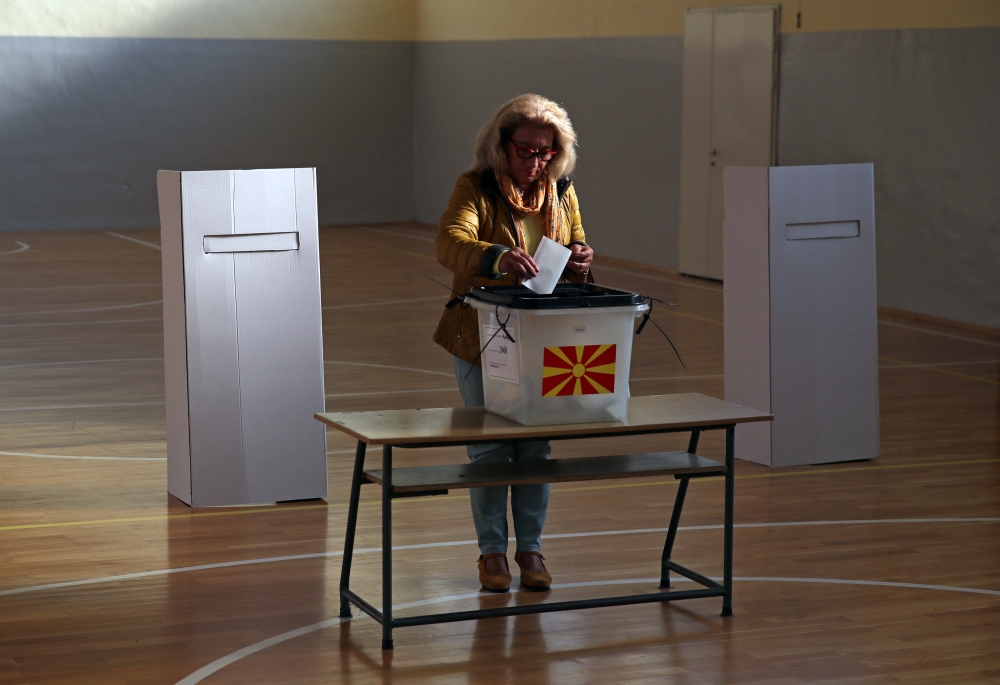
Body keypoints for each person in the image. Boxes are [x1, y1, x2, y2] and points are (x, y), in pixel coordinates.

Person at [432, 94, 594, 593]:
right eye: (526, 150)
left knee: (535, 447)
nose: (536, 162)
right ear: (501, 145)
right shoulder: (475, 187)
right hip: (482, 332)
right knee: (490, 447)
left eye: (546, 152)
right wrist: (496, 257)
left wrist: (582, 258)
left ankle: (531, 549)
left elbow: (577, 240)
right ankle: (491, 556)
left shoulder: (561, 190)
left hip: (543, 334)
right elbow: (449, 243)